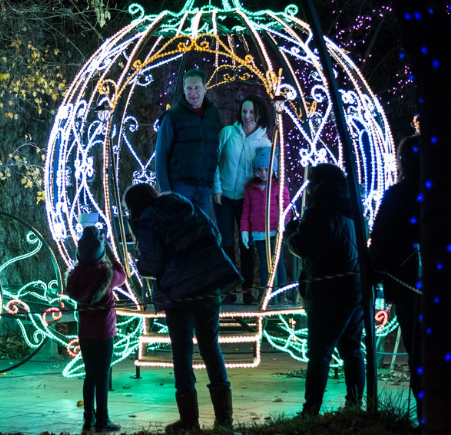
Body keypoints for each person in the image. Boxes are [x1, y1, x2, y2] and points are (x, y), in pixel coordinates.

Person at [124, 183, 241, 432]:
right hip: (210, 283)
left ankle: (189, 419)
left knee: (182, 352)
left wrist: (139, 261)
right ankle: (224, 418)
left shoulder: (148, 219)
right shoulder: (185, 205)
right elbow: (215, 235)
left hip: (179, 291)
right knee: (210, 346)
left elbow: (151, 265)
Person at [284, 163, 365, 416]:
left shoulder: (318, 211)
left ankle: (311, 411)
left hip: (327, 291)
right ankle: (354, 404)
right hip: (353, 288)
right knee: (352, 350)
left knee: (319, 354)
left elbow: (302, 244)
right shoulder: (352, 211)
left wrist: (290, 232)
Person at [369, 135, 423, 422]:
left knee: (417, 352)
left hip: (406, 284)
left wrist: (376, 269)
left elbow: (380, 240)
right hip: (409, 281)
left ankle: (428, 412)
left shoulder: (397, 196)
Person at [64, 226, 126, 433]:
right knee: (102, 376)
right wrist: (111, 253)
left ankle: (88, 419)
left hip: (85, 333)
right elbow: (122, 275)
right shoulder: (105, 273)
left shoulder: (76, 275)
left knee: (90, 375)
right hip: (104, 332)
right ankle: (103, 419)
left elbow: (70, 289)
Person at [213, 95, 272, 304]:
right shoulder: (227, 133)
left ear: (258, 114)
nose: (247, 116)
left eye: (252, 112)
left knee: (248, 245)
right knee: (227, 244)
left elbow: (265, 174)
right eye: (244, 111)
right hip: (225, 197)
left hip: (248, 201)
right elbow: (214, 160)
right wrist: (217, 187)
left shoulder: (264, 142)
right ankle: (228, 291)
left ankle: (248, 292)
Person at [154, 69, 223, 214]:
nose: (193, 93)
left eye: (197, 88)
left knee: (201, 231)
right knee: (181, 230)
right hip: (180, 185)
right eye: (189, 88)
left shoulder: (213, 114)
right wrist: (165, 188)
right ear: (184, 90)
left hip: (204, 187)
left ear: (205, 89)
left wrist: (215, 185)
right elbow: (161, 153)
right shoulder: (173, 116)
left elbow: (214, 151)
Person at [240, 147, 291, 305]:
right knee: (263, 264)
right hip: (259, 233)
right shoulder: (251, 189)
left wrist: (283, 224)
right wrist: (244, 230)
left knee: (278, 262)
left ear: (273, 169)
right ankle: (265, 295)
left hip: (275, 231)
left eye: (267, 169)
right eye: (260, 170)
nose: (263, 173)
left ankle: (280, 294)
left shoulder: (278, 187)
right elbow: (246, 210)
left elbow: (285, 207)